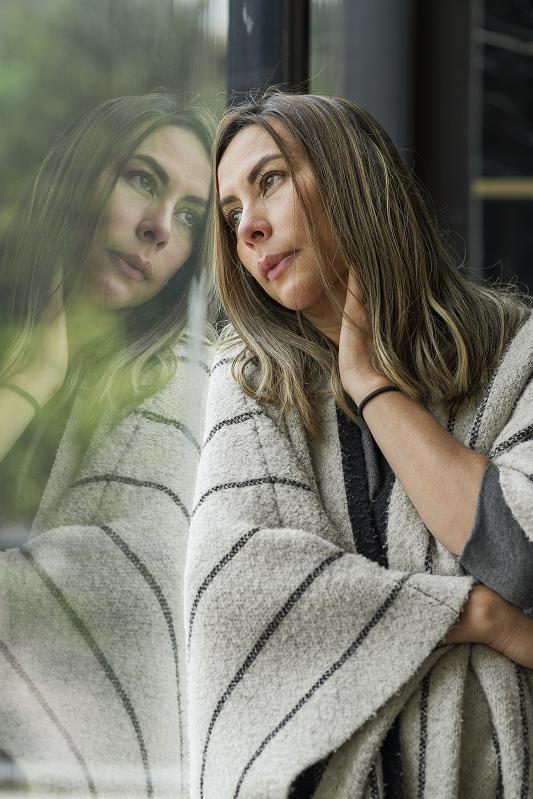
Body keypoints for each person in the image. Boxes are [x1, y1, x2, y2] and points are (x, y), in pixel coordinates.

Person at [186, 91, 533, 798]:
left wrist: (370, 384)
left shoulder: (514, 353)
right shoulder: (250, 384)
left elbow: (517, 554)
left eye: (269, 180)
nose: (247, 225)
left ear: (347, 173)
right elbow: (238, 600)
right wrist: (479, 616)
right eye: (230, 214)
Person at [0, 93, 213, 796]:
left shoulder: (180, 384)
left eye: (188, 217)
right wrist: (32, 376)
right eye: (144, 180)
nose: (157, 228)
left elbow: (124, 592)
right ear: (81, 174)